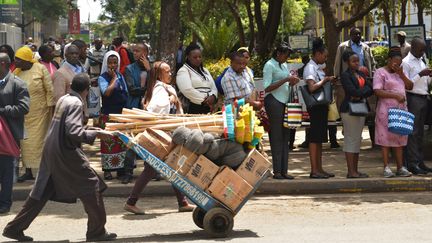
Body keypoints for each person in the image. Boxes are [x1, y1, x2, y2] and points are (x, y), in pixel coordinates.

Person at [2, 73, 117, 242]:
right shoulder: (76, 103)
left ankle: (14, 228)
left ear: (71, 86)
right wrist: (97, 133)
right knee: (92, 186)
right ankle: (97, 232)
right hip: (66, 153)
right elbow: (73, 132)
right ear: (86, 90)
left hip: (51, 150)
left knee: (41, 191)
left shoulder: (64, 99)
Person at [124, 61, 194, 215]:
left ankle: (182, 202)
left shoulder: (162, 88)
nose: (170, 74)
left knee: (172, 166)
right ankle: (131, 202)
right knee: (152, 169)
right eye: (167, 72)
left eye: (170, 71)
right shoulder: (160, 89)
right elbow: (155, 108)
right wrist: (169, 100)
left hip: (163, 134)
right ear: (158, 74)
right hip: (160, 135)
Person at [14, 46, 55, 183]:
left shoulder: (40, 69)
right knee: (25, 143)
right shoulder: (17, 72)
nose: (16, 62)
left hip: (41, 113)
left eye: (18, 59)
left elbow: (49, 89)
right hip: (24, 115)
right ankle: (28, 171)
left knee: (40, 143)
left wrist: (51, 109)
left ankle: (43, 172)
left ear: (26, 59)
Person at [373, 47, 413, 178]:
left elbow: (410, 86)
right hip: (386, 111)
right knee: (385, 139)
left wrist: (401, 74)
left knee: (399, 138)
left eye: (399, 63)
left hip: (400, 111)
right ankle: (386, 167)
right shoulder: (380, 72)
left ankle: (400, 167)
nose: (397, 65)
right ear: (389, 60)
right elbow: (377, 91)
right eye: (395, 62)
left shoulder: (400, 73)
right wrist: (395, 96)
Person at [334, 27, 376, 147]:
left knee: (364, 109)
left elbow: (371, 63)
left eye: (359, 34)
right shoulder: (343, 46)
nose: (358, 36)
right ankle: (348, 131)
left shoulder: (366, 47)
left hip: (363, 78)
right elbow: (338, 63)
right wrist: (337, 78)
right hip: (348, 81)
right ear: (350, 35)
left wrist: (371, 75)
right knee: (350, 106)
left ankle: (358, 133)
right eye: (355, 34)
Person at [263, 44, 300, 180]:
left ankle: (284, 170)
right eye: (285, 55)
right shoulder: (269, 65)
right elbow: (267, 87)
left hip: (284, 101)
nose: (287, 58)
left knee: (286, 136)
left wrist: (291, 82)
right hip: (274, 101)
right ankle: (277, 171)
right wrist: (286, 79)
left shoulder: (283, 66)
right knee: (277, 136)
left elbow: (284, 83)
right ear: (278, 53)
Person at [0, 53, 30, 214]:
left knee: (7, 171)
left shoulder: (18, 84)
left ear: (4, 64)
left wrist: (3, 111)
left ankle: (5, 204)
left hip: (9, 135)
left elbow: (24, 108)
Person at [304, 39, 336, 179]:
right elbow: (312, 87)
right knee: (314, 138)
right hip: (315, 106)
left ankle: (319, 168)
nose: (325, 58)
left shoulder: (318, 67)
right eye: (324, 56)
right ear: (317, 54)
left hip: (322, 106)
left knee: (320, 139)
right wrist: (325, 80)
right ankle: (314, 170)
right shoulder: (310, 68)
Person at [340, 51, 374, 178]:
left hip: (361, 108)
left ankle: (356, 169)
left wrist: (360, 92)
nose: (356, 63)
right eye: (353, 61)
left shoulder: (361, 73)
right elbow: (352, 91)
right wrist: (361, 92)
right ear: (347, 62)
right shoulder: (345, 75)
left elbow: (371, 89)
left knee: (357, 140)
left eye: (357, 61)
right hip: (349, 109)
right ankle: (351, 171)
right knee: (350, 139)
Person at [121, 42, 151, 184]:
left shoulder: (153, 68)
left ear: (146, 53)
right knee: (132, 140)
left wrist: (150, 70)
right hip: (134, 107)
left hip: (150, 107)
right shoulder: (129, 69)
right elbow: (132, 89)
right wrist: (147, 90)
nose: (135, 53)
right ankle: (128, 172)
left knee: (150, 140)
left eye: (138, 51)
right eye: (134, 51)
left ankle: (152, 171)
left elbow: (158, 85)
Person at [402, 37, 432, 175]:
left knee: (420, 132)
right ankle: (412, 163)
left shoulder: (421, 60)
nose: (422, 52)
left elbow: (425, 81)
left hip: (423, 97)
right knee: (413, 132)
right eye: (421, 50)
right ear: (413, 48)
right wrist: (421, 74)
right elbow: (407, 85)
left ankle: (420, 162)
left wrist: (428, 75)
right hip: (413, 97)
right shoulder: (406, 63)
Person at [98, 51, 129, 180]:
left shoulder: (120, 75)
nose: (112, 65)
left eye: (115, 62)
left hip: (120, 114)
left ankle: (120, 168)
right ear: (106, 63)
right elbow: (106, 93)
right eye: (110, 62)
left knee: (120, 142)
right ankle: (108, 170)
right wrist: (114, 79)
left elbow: (125, 92)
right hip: (108, 114)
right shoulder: (103, 78)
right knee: (108, 142)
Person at [176, 43, 218, 114]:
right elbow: (187, 90)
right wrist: (206, 100)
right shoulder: (183, 71)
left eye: (200, 57)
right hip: (193, 107)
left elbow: (213, 87)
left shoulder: (205, 70)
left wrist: (213, 96)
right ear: (188, 57)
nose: (198, 59)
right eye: (195, 57)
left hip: (208, 107)